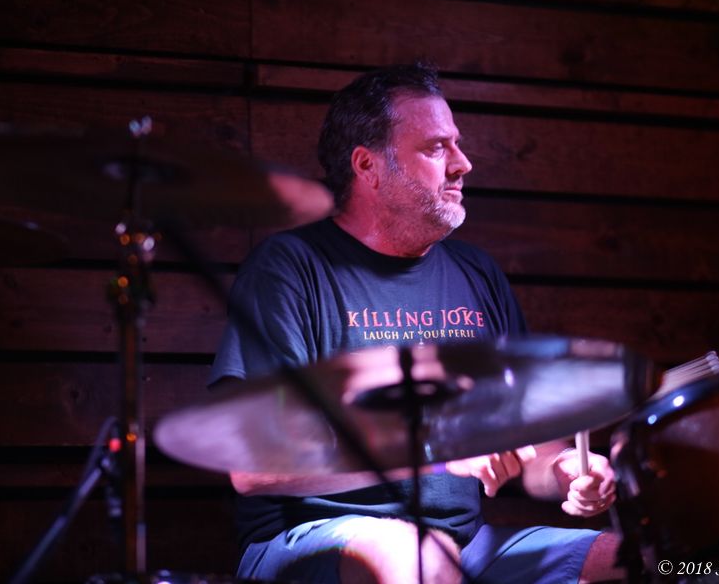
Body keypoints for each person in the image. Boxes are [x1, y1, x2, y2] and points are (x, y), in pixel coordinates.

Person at [209, 63, 622, 583]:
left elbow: (532, 447)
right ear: (368, 166)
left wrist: (566, 472)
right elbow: (252, 467)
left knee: (638, 561)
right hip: (314, 538)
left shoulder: (477, 273)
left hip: (463, 545)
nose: (463, 164)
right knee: (417, 557)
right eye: (435, 148)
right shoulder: (289, 269)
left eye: (457, 145)